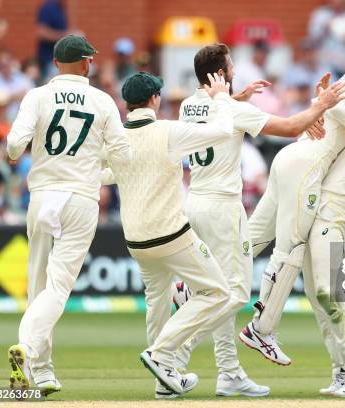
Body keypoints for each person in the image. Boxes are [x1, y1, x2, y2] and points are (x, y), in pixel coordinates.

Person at [239, 23, 345, 397]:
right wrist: (323, 105)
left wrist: (324, 105)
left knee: (316, 283)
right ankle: (343, 366)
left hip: (332, 203)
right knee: (271, 251)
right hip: (308, 174)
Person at [169, 42, 345, 398]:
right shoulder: (232, 112)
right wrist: (320, 106)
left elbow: (218, 112)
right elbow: (288, 126)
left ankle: (229, 372)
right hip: (223, 209)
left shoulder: (189, 105)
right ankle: (170, 357)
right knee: (231, 294)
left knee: (221, 290)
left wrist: (240, 99)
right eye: (231, 66)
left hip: (196, 205)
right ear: (220, 74)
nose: (236, 72)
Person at [100, 71, 244, 397]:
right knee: (218, 293)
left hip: (136, 241)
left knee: (158, 304)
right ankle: (162, 353)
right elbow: (222, 130)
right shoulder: (166, 130)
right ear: (154, 99)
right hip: (171, 235)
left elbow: (103, 173)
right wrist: (221, 96)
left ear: (127, 103)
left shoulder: (118, 139)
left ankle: (164, 382)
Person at [6, 34, 132, 395]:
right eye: (90, 60)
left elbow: (15, 144)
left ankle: (42, 372)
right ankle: (29, 352)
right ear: (85, 63)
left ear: (57, 64)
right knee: (58, 288)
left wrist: (14, 155)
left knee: (38, 287)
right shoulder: (102, 100)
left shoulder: (37, 95)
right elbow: (122, 157)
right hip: (80, 200)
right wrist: (99, 173)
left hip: (42, 195)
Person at [307, 0, 345, 78]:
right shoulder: (320, 15)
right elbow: (313, 38)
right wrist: (325, 28)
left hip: (344, 63)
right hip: (324, 63)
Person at [36, 0, 70, 78]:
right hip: (48, 59)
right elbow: (41, 32)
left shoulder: (60, 7)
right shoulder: (48, 7)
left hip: (59, 60)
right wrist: (66, 36)